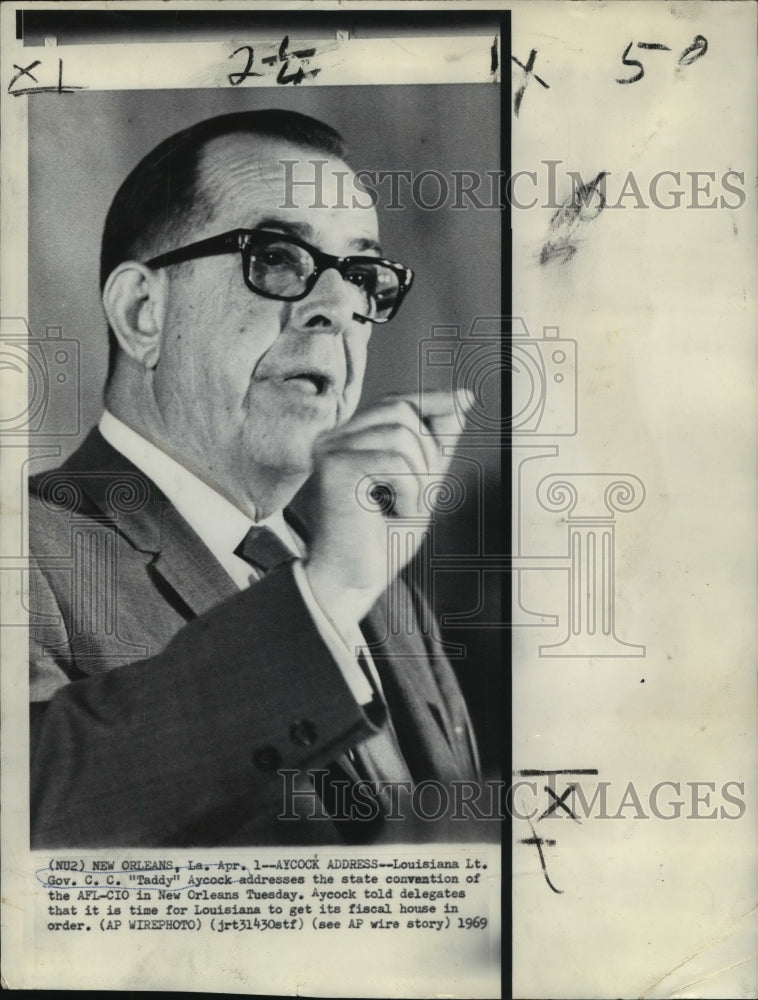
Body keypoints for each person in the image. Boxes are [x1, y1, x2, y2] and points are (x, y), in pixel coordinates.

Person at [28, 109, 481, 848]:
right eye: (276, 258)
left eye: (363, 275)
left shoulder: (392, 604)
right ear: (143, 312)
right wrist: (322, 600)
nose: (338, 308)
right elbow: (29, 808)